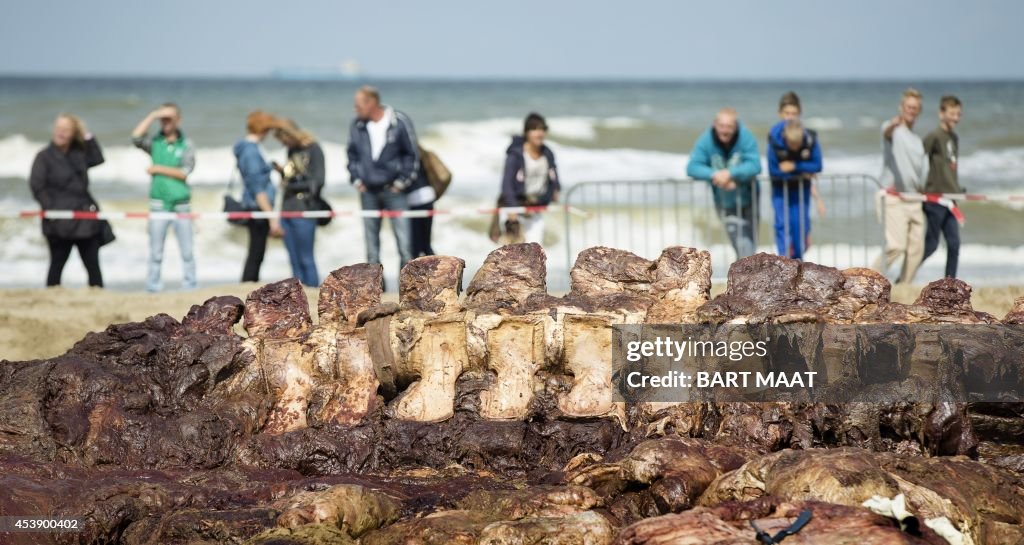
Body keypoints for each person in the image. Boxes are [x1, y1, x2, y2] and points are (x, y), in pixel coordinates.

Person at [347, 86, 419, 275]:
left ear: (371, 102)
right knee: (371, 249)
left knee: (404, 246)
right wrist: (356, 179)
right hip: (368, 192)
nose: (355, 109)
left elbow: (411, 154)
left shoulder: (399, 121)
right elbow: (352, 156)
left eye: (358, 105)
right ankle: (375, 293)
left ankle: (407, 290)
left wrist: (402, 182)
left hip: (395, 191)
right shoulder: (357, 125)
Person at [29, 113, 107, 287]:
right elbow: (37, 187)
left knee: (92, 265)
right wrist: (52, 211)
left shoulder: (79, 153)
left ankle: (98, 296)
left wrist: (85, 134)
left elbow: (98, 158)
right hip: (59, 221)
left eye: (66, 130)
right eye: (58, 129)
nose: (61, 133)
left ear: (74, 133)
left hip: (85, 219)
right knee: (57, 264)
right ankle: (52, 297)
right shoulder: (44, 157)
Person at [131, 103, 197, 292]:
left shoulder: (187, 144)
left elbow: (185, 172)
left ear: (178, 120)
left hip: (181, 204)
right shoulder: (155, 142)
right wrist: (152, 115)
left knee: (187, 251)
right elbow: (135, 137)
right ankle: (153, 288)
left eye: (169, 118)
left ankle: (190, 287)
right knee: (156, 252)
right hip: (158, 204)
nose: (165, 122)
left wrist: (158, 169)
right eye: (163, 118)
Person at [686, 108, 762, 259]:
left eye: (729, 127)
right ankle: (746, 275)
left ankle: (747, 275)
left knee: (749, 243)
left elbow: (755, 165)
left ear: (736, 126)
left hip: (749, 197)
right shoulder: (706, 140)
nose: (725, 130)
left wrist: (731, 173)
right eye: (722, 126)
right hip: (725, 202)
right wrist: (714, 174)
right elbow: (692, 167)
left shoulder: (745, 137)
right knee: (741, 243)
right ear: (715, 124)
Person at [873, 88, 928, 284]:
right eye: (908, 106)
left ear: (918, 111)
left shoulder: (917, 141)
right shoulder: (892, 128)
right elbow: (887, 133)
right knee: (896, 246)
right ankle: (868, 280)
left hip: (914, 199)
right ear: (901, 107)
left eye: (915, 108)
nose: (911, 110)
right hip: (893, 197)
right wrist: (893, 126)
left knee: (917, 251)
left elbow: (920, 171)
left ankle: (903, 288)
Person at [767, 99, 824, 259]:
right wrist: (803, 172)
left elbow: (817, 165)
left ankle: (798, 259)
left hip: (801, 188)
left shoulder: (809, 137)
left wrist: (795, 166)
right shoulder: (774, 137)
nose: (790, 117)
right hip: (780, 188)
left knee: (801, 225)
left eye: (794, 114)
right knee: (781, 225)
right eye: (787, 113)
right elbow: (775, 171)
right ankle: (784, 260)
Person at [272, 119, 324, 287]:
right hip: (287, 207)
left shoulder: (314, 149)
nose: (283, 144)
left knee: (306, 258)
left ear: (290, 134)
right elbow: (291, 178)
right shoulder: (291, 150)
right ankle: (298, 295)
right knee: (293, 258)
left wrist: (291, 184)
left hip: (305, 209)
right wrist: (282, 173)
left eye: (284, 140)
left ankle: (313, 291)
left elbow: (318, 181)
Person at [234, 110, 283, 283]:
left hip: (256, 206)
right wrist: (272, 217)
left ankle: (249, 283)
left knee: (256, 252)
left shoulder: (249, 150)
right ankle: (248, 285)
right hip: (258, 207)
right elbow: (257, 188)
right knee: (256, 252)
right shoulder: (251, 152)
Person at [499, 113, 561, 245]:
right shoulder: (515, 155)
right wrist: (512, 209)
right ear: (526, 132)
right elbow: (507, 184)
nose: (539, 133)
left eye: (542, 129)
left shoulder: (547, 153)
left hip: (535, 210)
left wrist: (556, 189)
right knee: (513, 257)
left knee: (536, 252)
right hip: (514, 210)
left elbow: (554, 174)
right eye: (534, 129)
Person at [921, 95, 963, 279]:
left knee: (954, 245)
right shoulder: (934, 136)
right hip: (935, 199)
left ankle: (950, 284)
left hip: (951, 200)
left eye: (959, 114)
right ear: (942, 114)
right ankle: (903, 277)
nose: (956, 118)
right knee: (931, 245)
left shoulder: (954, 137)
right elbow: (918, 157)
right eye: (952, 113)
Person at [407, 160, 436, 257]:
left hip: (416, 200)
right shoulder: (419, 153)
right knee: (426, 244)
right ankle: (437, 269)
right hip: (428, 196)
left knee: (416, 245)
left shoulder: (406, 154)